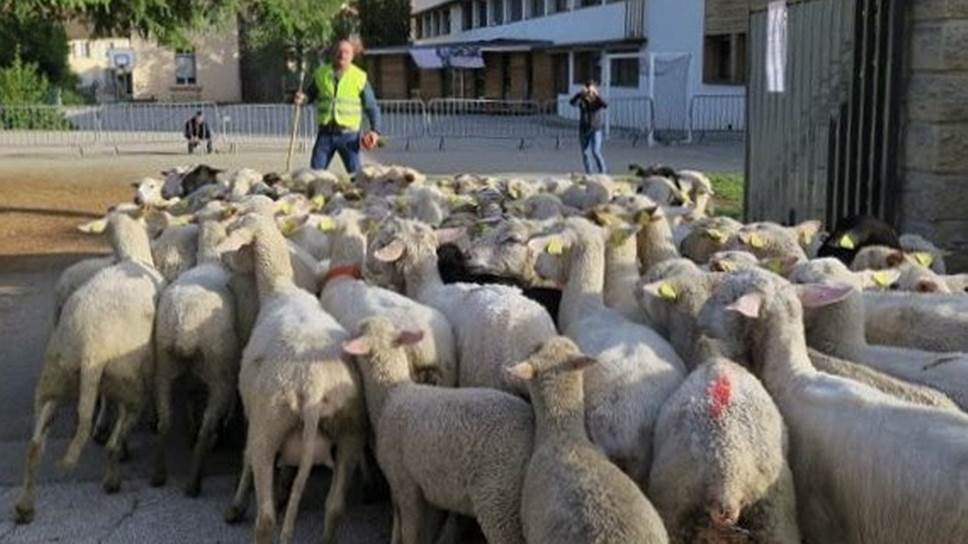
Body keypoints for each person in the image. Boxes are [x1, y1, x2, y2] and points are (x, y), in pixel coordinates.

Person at [296, 38, 382, 175]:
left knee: (356, 177)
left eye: (347, 52)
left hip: (349, 136)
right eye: (339, 51)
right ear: (333, 53)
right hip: (325, 134)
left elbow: (371, 106)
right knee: (315, 175)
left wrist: (375, 131)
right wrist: (303, 99)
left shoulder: (359, 77)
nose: (342, 55)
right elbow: (310, 94)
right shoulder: (321, 73)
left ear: (352, 56)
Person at [569, 79, 608, 174]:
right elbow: (572, 103)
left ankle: (602, 171)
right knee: (585, 153)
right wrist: (580, 94)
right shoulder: (582, 99)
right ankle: (589, 173)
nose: (589, 93)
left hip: (595, 129)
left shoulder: (597, 100)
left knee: (595, 151)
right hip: (584, 129)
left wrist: (596, 95)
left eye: (591, 90)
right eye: (588, 90)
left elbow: (605, 104)